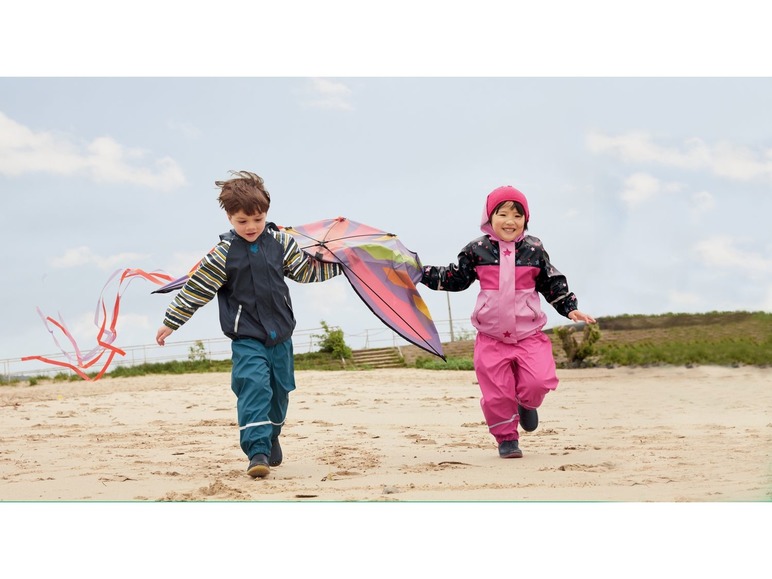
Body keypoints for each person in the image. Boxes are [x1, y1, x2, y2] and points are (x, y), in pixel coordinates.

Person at [155, 171, 343, 478]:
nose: (251, 227)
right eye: (242, 221)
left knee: (280, 394)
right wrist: (171, 322)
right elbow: (196, 289)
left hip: (281, 337)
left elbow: (305, 272)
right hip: (247, 338)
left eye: (257, 219)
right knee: (253, 387)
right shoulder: (222, 255)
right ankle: (257, 452)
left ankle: (271, 436)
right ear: (229, 217)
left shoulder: (282, 243)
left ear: (266, 212)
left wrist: (341, 267)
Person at [420, 185, 596, 459]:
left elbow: (552, 283)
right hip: (491, 339)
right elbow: (454, 278)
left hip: (529, 335)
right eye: (502, 214)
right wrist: (418, 272)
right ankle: (507, 439)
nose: (510, 221)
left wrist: (570, 308)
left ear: (526, 219)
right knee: (498, 396)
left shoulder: (534, 249)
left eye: (518, 215)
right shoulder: (477, 250)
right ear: (489, 218)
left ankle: (527, 404)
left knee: (538, 382)